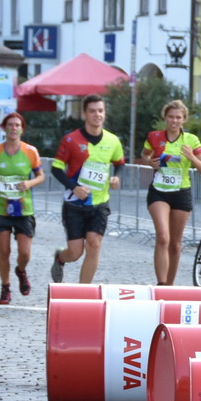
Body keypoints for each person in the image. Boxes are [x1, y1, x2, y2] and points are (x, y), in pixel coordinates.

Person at [47, 95, 125, 284]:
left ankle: (84, 292)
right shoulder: (71, 140)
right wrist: (74, 187)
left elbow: (120, 163)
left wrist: (116, 177)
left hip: (99, 203)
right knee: (75, 253)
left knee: (94, 244)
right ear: (84, 114)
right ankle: (60, 258)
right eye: (92, 111)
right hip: (74, 204)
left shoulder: (113, 140)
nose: (97, 115)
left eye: (100, 110)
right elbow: (56, 169)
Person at [138, 99, 201, 284]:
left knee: (175, 244)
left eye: (178, 117)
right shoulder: (154, 137)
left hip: (181, 192)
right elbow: (144, 155)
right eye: (171, 116)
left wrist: (192, 157)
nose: (174, 120)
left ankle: (169, 286)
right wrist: (149, 162)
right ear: (165, 117)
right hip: (159, 191)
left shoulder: (191, 140)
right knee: (163, 237)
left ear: (184, 119)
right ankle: (161, 284)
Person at [0, 112, 45, 304]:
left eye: (17, 125)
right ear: (4, 128)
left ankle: (21, 270)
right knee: (4, 251)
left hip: (24, 209)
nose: (13, 128)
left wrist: (29, 184)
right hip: (2, 208)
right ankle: (5, 287)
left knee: (24, 253)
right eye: (10, 125)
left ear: (22, 128)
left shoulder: (30, 151)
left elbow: (41, 176)